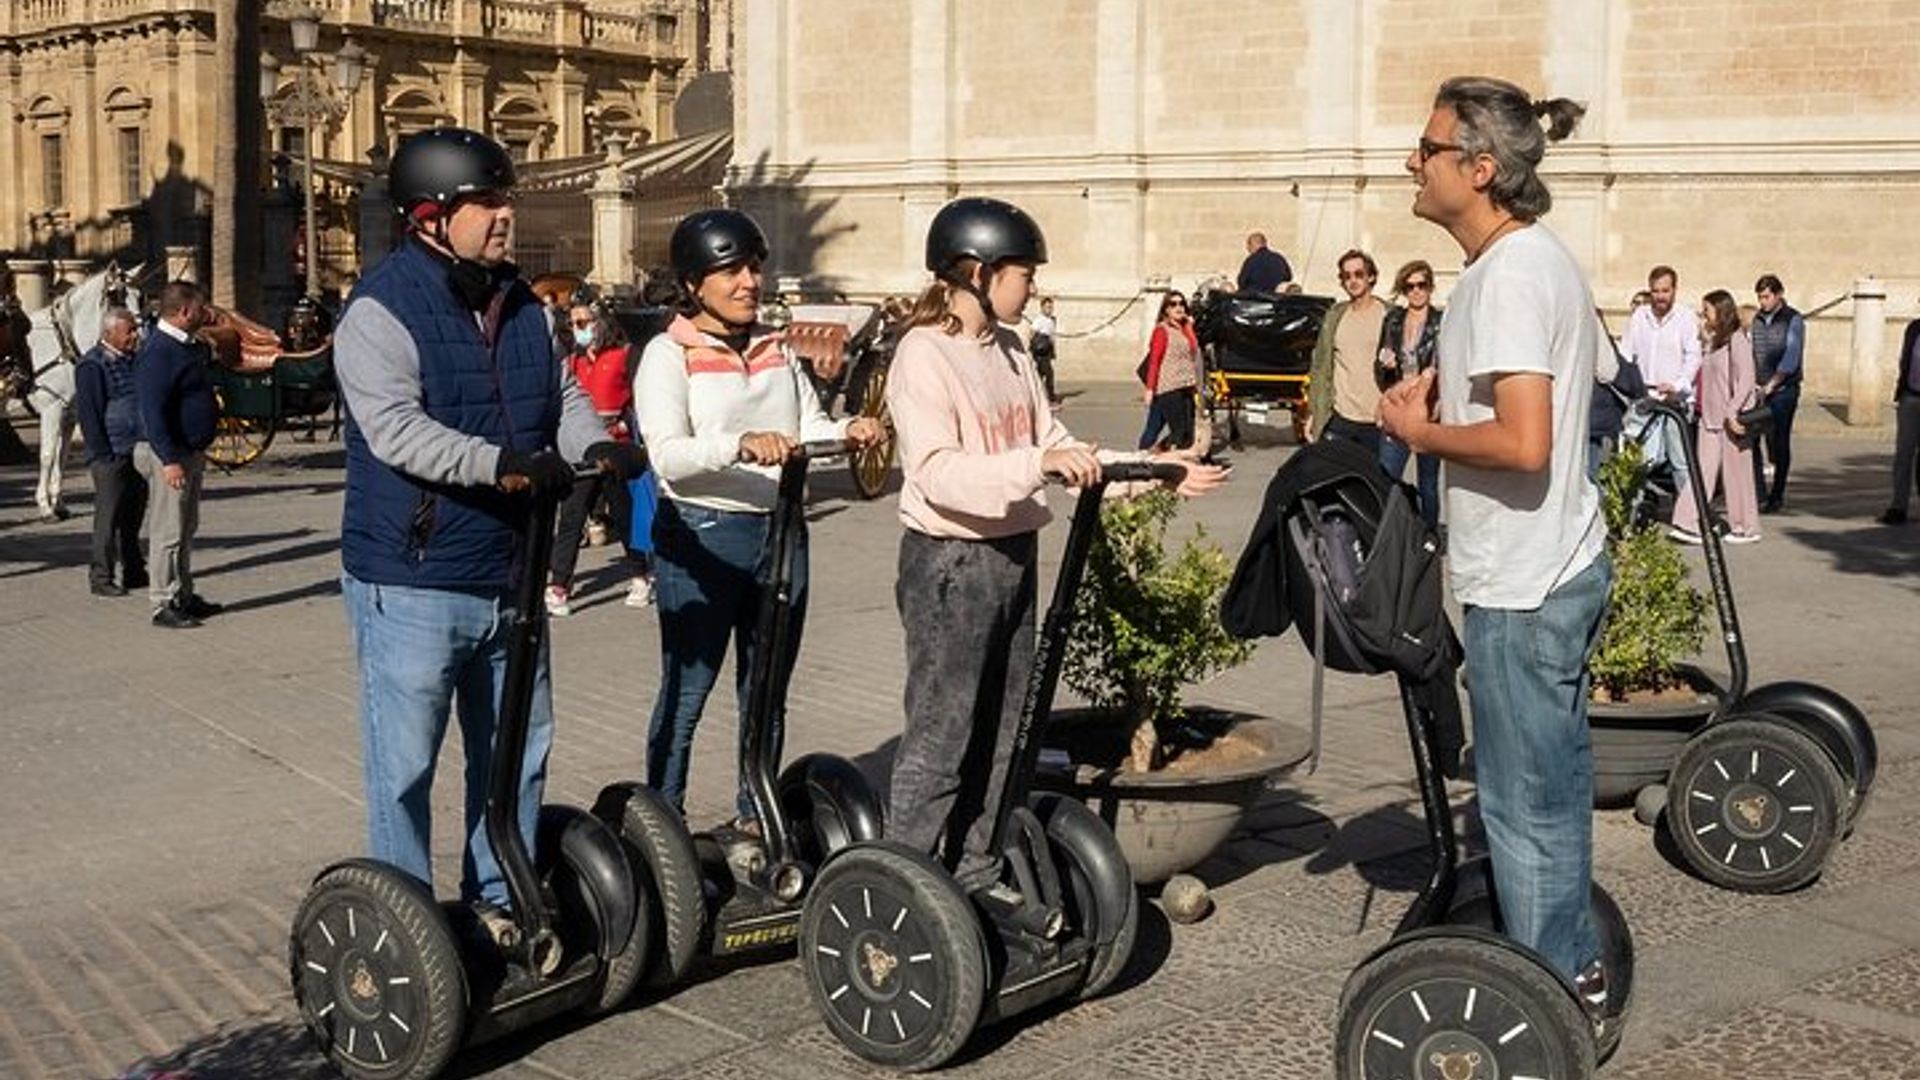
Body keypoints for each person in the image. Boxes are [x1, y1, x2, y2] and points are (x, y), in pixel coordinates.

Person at [332, 127, 644, 918]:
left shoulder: (522, 305)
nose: (506, 216)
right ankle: (405, 927)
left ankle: (499, 901)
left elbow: (563, 397)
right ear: (430, 215)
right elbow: (395, 429)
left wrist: (595, 447)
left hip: (510, 567)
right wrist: (501, 462)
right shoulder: (379, 310)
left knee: (516, 751)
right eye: (486, 202)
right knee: (404, 768)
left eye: (507, 199)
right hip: (414, 578)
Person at [886, 196, 1226, 893]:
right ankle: (903, 883)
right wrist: (1033, 467)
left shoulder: (1011, 351)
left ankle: (975, 872)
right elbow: (935, 473)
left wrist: (1155, 472)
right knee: (942, 736)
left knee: (1008, 730)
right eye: (1023, 273)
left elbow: (1058, 447)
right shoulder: (923, 354)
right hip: (950, 563)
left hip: (1012, 554)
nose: (1033, 286)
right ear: (975, 272)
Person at [1376, 76, 1611, 1010]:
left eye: (1427, 148)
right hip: (1544, 564)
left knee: (1526, 805)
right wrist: (1433, 397)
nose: (1411, 161)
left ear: (1479, 169)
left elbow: (1523, 443)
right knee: (1545, 788)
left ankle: (1559, 991)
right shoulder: (1517, 267)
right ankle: (1566, 962)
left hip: (1525, 580)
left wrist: (1417, 435)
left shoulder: (1511, 275)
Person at [634, 208, 883, 832]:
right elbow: (667, 456)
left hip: (779, 534)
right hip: (703, 531)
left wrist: (846, 430)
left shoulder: (776, 350)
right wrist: (739, 444)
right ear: (695, 283)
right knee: (688, 693)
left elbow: (807, 429)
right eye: (731, 271)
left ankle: (755, 816)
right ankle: (661, 827)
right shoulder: (668, 355)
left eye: (754, 268)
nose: (749, 281)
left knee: (766, 692)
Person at [547, 303, 653, 614]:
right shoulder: (573, 360)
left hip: (614, 450)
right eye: (573, 322)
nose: (577, 326)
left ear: (599, 322)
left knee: (623, 514)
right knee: (571, 517)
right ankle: (559, 585)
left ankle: (640, 574)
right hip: (581, 453)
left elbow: (641, 399)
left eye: (583, 321)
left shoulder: (624, 354)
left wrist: (624, 426)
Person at [133, 280, 221, 629]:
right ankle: (162, 601)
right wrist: (168, 459)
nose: (206, 314)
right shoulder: (159, 351)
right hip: (169, 454)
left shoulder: (186, 345)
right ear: (185, 311)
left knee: (186, 527)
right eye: (201, 309)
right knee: (167, 529)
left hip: (190, 450)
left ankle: (184, 593)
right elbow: (152, 411)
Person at [1669, 290, 1761, 545]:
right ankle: (1687, 521)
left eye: (1706, 310)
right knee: (1702, 472)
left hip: (1730, 419)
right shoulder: (1713, 341)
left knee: (1737, 473)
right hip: (1708, 418)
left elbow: (1746, 380)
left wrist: (1733, 412)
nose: (1703, 315)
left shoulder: (1737, 340)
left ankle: (1745, 527)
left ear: (1720, 311)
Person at [72, 307, 148, 597]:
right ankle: (101, 576)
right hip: (111, 453)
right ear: (109, 333)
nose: (134, 335)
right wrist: (102, 453)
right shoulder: (92, 365)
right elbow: (89, 414)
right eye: (129, 331)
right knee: (108, 517)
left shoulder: (132, 359)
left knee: (134, 515)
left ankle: (134, 570)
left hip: (135, 449)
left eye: (134, 329)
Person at [1375, 260, 1444, 525]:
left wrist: (1440, 400)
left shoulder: (1440, 321)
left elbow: (1447, 366)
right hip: (1399, 401)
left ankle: (1428, 534)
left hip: (1428, 406)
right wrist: (1386, 368)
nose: (1416, 291)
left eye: (1421, 285)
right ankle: (1389, 532)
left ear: (1430, 287)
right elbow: (1378, 363)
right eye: (1410, 286)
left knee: (1428, 481)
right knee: (1388, 475)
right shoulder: (1393, 320)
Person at [1307, 249, 1389, 454]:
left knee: (1377, 484)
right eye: (1346, 276)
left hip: (1378, 420)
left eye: (1359, 274)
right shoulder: (1334, 316)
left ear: (1371, 277)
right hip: (1340, 419)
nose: (1353, 281)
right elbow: (1320, 368)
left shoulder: (1390, 316)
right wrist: (1314, 413)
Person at [1750, 274, 1805, 513]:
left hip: (1783, 390)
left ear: (1778, 294)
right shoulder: (1756, 320)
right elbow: (1752, 351)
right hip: (1758, 387)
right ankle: (1758, 491)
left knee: (1779, 441)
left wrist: (1772, 384)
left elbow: (1791, 357)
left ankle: (1777, 493)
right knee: (1753, 439)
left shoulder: (1793, 319)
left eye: (1766, 296)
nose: (1763, 302)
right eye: (1760, 297)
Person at [1624, 265, 1700, 410]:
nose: (1660, 297)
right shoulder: (1639, 316)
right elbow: (1626, 353)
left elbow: (1693, 357)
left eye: (1665, 291)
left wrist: (1677, 386)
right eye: (1655, 291)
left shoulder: (1686, 317)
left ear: (1674, 290)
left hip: (1674, 401)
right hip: (1642, 399)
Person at [1137, 290, 1201, 450]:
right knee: (1179, 433)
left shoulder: (1185, 329)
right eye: (1173, 304)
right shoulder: (1162, 330)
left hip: (1186, 386)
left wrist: (1189, 326)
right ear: (1166, 309)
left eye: (1182, 304)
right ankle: (1143, 457)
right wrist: (1150, 389)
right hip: (1168, 387)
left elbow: (1194, 349)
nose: (1179, 308)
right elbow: (1154, 361)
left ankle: (1151, 453)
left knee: (1158, 428)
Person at [1878, 303, 1920, 525]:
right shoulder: (1913, 328)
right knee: (1903, 454)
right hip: (1910, 396)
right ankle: (1898, 506)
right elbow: (1905, 360)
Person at [1029, 295, 1060, 405]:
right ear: (1042, 308)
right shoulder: (1039, 320)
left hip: (1047, 350)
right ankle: (1050, 398)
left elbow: (1052, 337)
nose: (1049, 309)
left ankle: (1036, 396)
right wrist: (1031, 349)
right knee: (1048, 374)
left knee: (1041, 375)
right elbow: (1032, 333)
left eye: (1051, 307)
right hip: (1040, 351)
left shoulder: (1051, 321)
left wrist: (1054, 351)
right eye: (1047, 307)